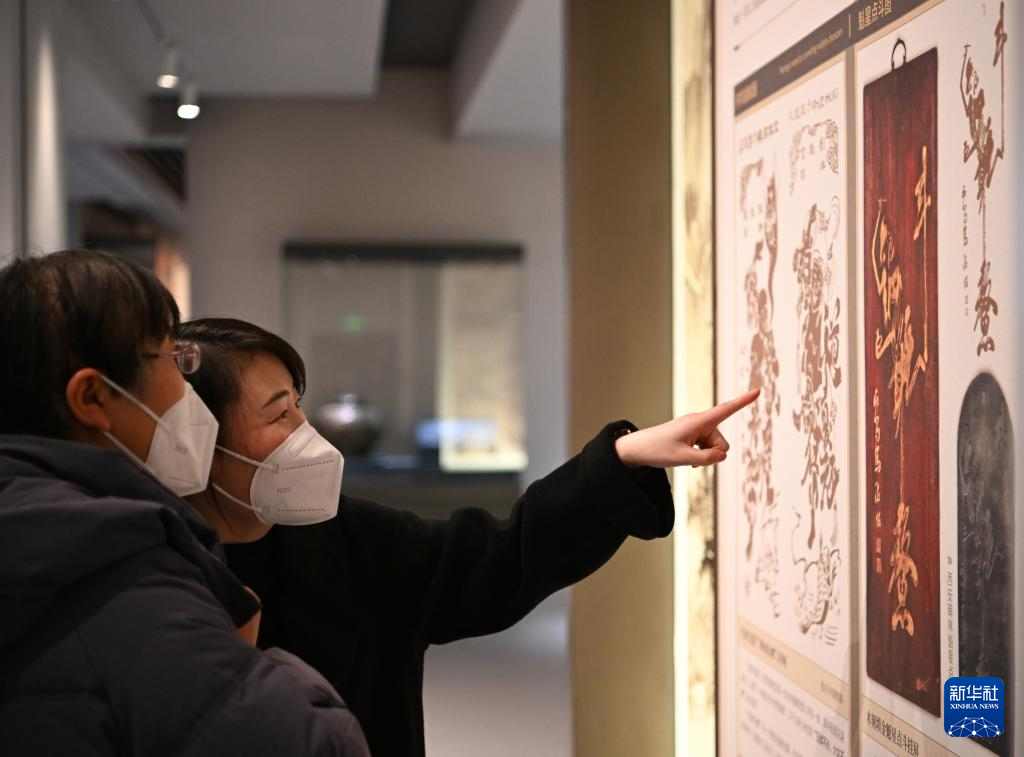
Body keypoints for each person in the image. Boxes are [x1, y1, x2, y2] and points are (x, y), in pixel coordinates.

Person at [177, 316, 758, 757]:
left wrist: (624, 457)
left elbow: (500, 558)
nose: (306, 431)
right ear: (202, 443)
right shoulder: (159, 582)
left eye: (299, 406)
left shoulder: (351, 539)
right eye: (279, 415)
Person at [0, 251, 369, 757]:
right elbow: (316, 745)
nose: (186, 384)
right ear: (92, 397)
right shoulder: (124, 572)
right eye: (171, 358)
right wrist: (247, 654)